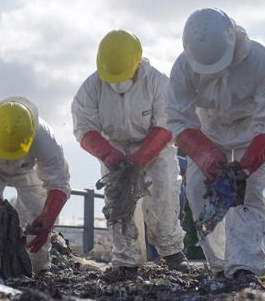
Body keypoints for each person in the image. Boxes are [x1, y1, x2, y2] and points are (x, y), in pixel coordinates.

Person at [168, 8, 265, 280]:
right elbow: (179, 119)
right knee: (199, 189)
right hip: (208, 128)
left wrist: (246, 168)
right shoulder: (183, 67)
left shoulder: (263, 63)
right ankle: (220, 264)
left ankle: (245, 265)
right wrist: (205, 155)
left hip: (254, 127)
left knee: (247, 194)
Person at [72, 30, 188, 272]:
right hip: (113, 150)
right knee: (118, 202)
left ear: (137, 62)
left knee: (164, 193)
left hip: (155, 148)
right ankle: (126, 261)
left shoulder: (158, 83)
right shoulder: (91, 88)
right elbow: (83, 128)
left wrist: (140, 158)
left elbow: (167, 124)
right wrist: (110, 156)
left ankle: (173, 253)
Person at [0, 97, 71, 274]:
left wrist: (48, 218)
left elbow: (59, 183)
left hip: (28, 169)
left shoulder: (46, 139)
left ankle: (38, 267)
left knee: (36, 217)